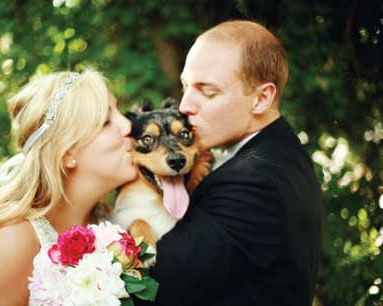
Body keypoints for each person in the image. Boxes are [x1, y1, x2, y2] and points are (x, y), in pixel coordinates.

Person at [136, 20, 323, 305]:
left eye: (208, 91)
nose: (185, 106)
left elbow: (153, 288)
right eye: (186, 86)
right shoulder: (276, 152)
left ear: (261, 98)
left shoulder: (255, 181)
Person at [0, 68, 137, 305]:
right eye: (106, 121)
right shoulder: (10, 242)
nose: (128, 125)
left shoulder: (108, 220)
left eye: (119, 111)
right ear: (67, 153)